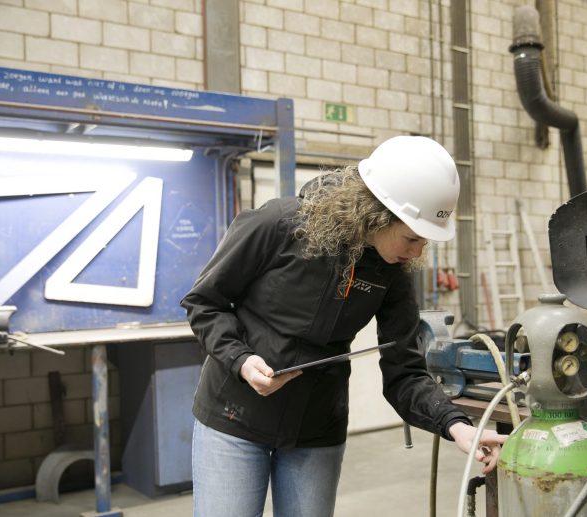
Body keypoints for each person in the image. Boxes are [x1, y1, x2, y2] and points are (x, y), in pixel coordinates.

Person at [181, 135, 507, 517]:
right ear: (377, 213)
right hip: (235, 416)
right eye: (412, 237)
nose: (418, 252)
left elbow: (404, 373)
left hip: (317, 428)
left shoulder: (392, 274)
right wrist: (240, 359)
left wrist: (456, 425)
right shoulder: (279, 226)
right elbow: (204, 302)